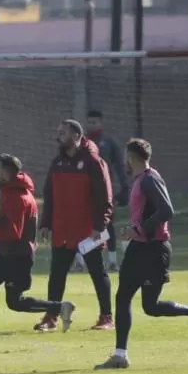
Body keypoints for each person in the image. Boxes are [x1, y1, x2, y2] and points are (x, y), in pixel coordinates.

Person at [95, 139, 188, 370]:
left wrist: (140, 229)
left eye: (126, 157)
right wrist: (132, 231)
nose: (125, 161)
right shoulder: (141, 180)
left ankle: (120, 355)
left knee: (124, 298)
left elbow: (167, 210)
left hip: (150, 248)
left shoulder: (150, 179)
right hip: (147, 247)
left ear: (132, 157)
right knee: (150, 307)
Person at [0, 155, 76, 349]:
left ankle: (60, 307)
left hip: (17, 258)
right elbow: (8, 225)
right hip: (5, 253)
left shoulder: (17, 198)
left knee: (15, 302)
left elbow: (13, 232)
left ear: (7, 173)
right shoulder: (10, 191)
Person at [35, 119, 114, 332]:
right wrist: (45, 223)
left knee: (98, 272)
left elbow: (105, 198)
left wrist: (100, 226)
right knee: (57, 273)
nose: (58, 136)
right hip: (62, 229)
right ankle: (51, 316)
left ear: (77, 136)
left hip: (88, 230)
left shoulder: (93, 161)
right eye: (58, 131)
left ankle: (106, 317)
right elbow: (49, 194)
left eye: (63, 133)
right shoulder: (57, 163)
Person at [86, 110, 129, 273]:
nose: (92, 125)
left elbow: (119, 166)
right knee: (84, 225)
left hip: (106, 191)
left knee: (107, 224)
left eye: (95, 122)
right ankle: (82, 261)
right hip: (86, 192)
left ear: (101, 123)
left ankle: (112, 260)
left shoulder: (109, 142)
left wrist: (124, 187)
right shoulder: (83, 142)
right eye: (89, 122)